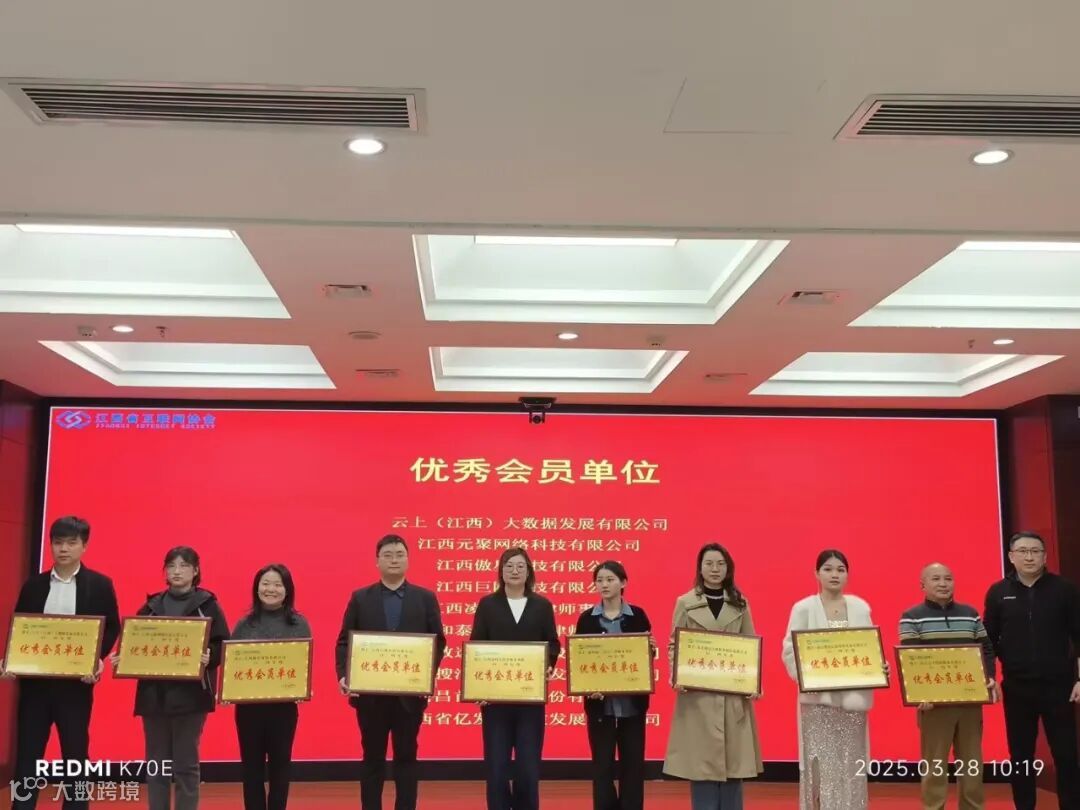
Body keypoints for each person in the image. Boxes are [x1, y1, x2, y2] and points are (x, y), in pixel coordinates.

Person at [2, 516, 120, 810]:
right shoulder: (34, 585)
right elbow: (21, 627)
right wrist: (11, 660)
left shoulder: (100, 585)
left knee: (75, 756)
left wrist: (96, 660)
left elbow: (112, 627)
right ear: (51, 545)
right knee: (28, 755)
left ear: (84, 546)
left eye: (71, 543)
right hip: (35, 687)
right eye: (58, 543)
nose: (63, 549)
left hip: (75, 687)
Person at [335, 535, 446, 810]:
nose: (394, 560)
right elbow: (344, 641)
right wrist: (344, 675)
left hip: (409, 697)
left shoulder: (425, 598)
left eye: (399, 554)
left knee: (406, 759)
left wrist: (424, 677)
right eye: (387, 555)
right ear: (377, 561)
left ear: (408, 560)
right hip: (370, 697)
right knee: (372, 759)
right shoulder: (361, 598)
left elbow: (438, 642)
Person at [113, 546, 229, 810]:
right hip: (154, 696)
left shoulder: (208, 605)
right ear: (164, 571)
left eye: (184, 566)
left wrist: (209, 657)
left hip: (191, 697)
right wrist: (123, 658)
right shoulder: (151, 606)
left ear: (196, 571)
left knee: (186, 765)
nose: (177, 571)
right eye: (171, 566)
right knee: (157, 765)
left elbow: (223, 644)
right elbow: (133, 642)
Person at [984, 531, 1080, 809]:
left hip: (1060, 687)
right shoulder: (998, 592)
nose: (1029, 557)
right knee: (1021, 757)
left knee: (1066, 754)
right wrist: (990, 675)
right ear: (1011, 556)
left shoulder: (1065, 590)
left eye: (1035, 551)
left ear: (1045, 556)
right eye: (1023, 551)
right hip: (1017, 687)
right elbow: (988, 639)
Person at [663, 543, 762, 810]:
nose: (715, 569)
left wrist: (753, 682)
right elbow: (674, 644)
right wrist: (676, 674)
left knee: (733, 767)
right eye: (709, 564)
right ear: (700, 568)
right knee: (702, 769)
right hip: (698, 697)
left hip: (732, 696)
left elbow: (750, 645)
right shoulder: (685, 603)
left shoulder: (740, 603)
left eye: (720, 564)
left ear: (728, 568)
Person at [782, 549, 879, 810]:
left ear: (847, 575)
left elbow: (869, 649)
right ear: (816, 573)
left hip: (852, 706)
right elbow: (790, 651)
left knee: (851, 766)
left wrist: (879, 668)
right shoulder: (803, 608)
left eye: (840, 569)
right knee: (819, 770)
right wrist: (807, 676)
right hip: (818, 705)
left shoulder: (860, 608)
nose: (834, 574)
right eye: (828, 569)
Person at [899, 562, 997, 810]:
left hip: (969, 701)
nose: (943, 584)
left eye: (948, 578)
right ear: (922, 585)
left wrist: (989, 677)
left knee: (972, 765)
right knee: (934, 766)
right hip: (934, 705)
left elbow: (986, 648)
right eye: (936, 579)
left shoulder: (970, 613)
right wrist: (920, 695)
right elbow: (911, 658)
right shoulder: (911, 616)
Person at [471, 547, 561, 810]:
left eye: (520, 566)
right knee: (497, 766)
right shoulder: (488, 604)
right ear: (501, 571)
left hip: (529, 699)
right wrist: (479, 688)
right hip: (495, 699)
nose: (514, 571)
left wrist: (548, 665)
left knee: (528, 767)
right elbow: (477, 646)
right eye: (509, 566)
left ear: (529, 571)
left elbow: (552, 643)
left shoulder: (542, 605)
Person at [229, 564, 312, 810]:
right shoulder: (244, 624)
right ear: (257, 588)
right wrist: (228, 688)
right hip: (249, 710)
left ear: (287, 590)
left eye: (277, 584)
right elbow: (233, 664)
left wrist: (303, 685)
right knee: (251, 769)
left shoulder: (299, 624)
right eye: (265, 584)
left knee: (280, 769)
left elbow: (302, 665)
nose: (271, 589)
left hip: (283, 710)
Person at [574, 561, 654, 810]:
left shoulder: (638, 616)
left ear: (623, 582)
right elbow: (580, 660)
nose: (604, 585)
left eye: (610, 579)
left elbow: (643, 658)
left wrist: (650, 650)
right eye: (599, 580)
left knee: (633, 765)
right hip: (600, 706)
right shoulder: (586, 619)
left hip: (632, 706)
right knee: (602, 766)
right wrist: (588, 686)